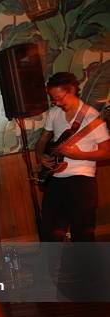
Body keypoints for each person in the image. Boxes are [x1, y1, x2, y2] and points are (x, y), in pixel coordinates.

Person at [36, 72, 110, 242]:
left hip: (82, 180)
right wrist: (41, 156)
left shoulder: (92, 118)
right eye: (53, 99)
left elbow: (107, 152)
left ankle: (86, 268)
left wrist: (79, 154)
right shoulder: (54, 113)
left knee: (82, 233)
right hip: (55, 179)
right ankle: (56, 268)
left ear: (72, 90)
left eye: (60, 98)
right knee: (48, 231)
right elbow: (42, 140)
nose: (56, 103)